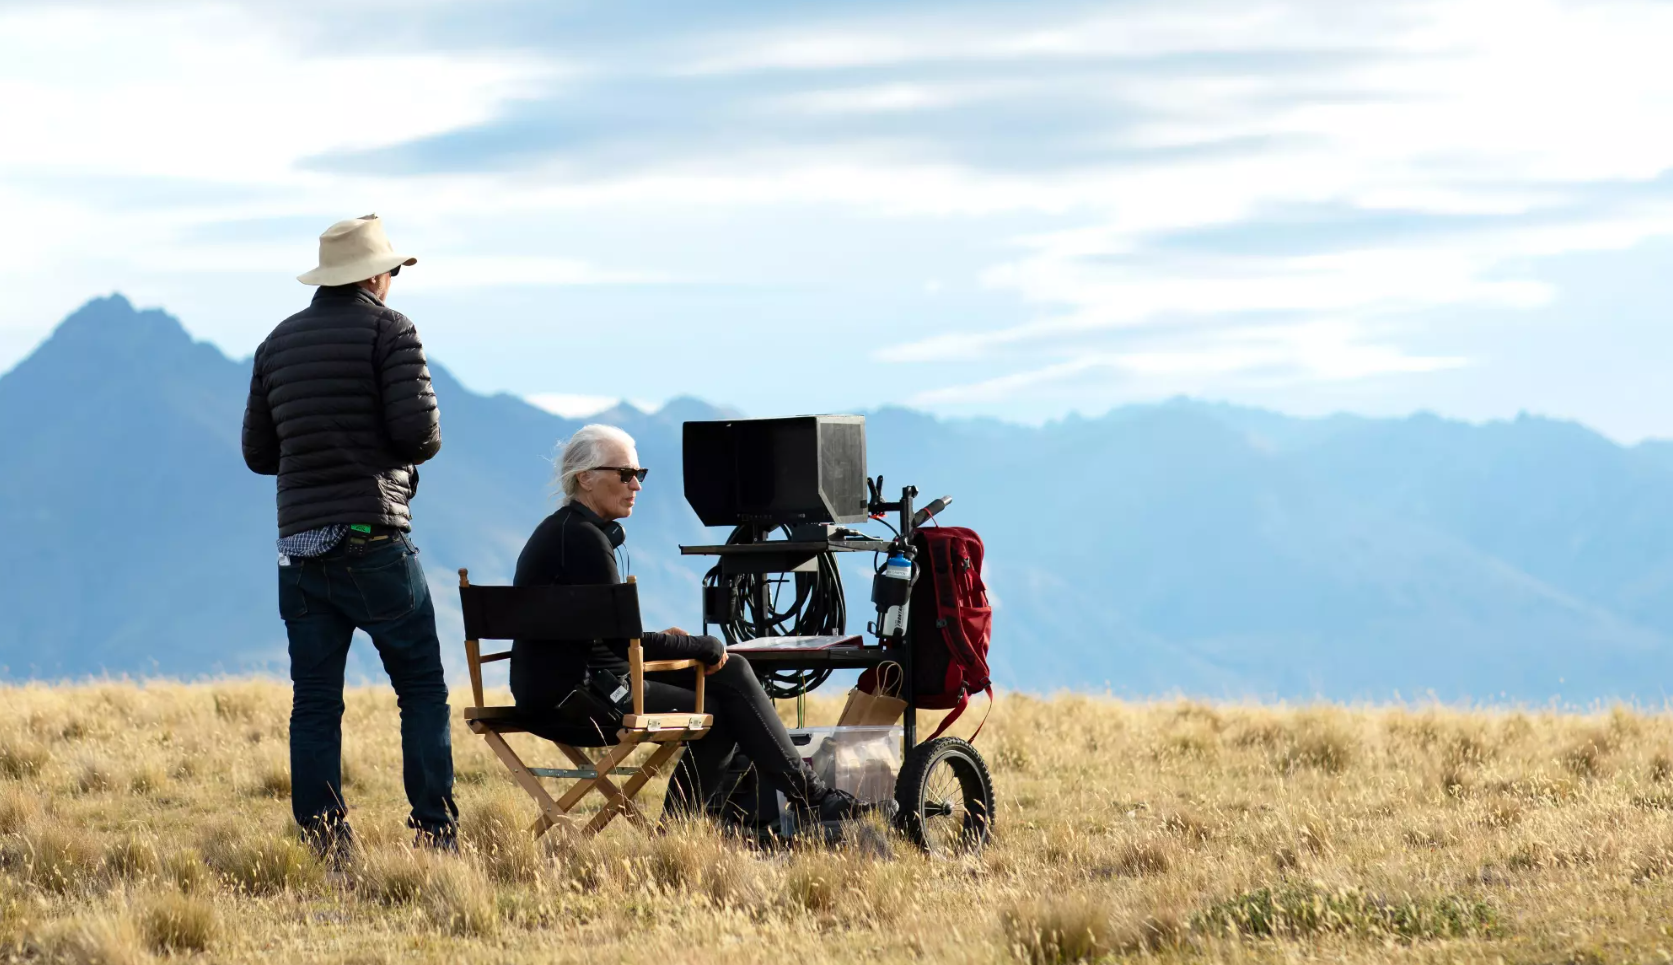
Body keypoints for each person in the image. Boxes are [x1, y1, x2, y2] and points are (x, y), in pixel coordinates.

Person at [511, 424, 889, 824]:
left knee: (732, 676)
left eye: (640, 475)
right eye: (625, 474)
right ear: (585, 478)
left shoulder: (561, 532)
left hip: (554, 692)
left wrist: (685, 645)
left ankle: (806, 797)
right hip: (581, 700)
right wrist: (700, 646)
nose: (636, 486)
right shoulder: (586, 540)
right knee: (722, 706)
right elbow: (625, 642)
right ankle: (705, 825)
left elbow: (606, 635)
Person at [241, 214, 457, 860]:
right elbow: (420, 433)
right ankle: (434, 831)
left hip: (300, 547)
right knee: (420, 687)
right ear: (372, 274)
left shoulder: (275, 343)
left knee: (314, 701)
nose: (392, 280)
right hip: (374, 538)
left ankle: (326, 841)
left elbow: (258, 454)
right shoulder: (391, 331)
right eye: (391, 270)